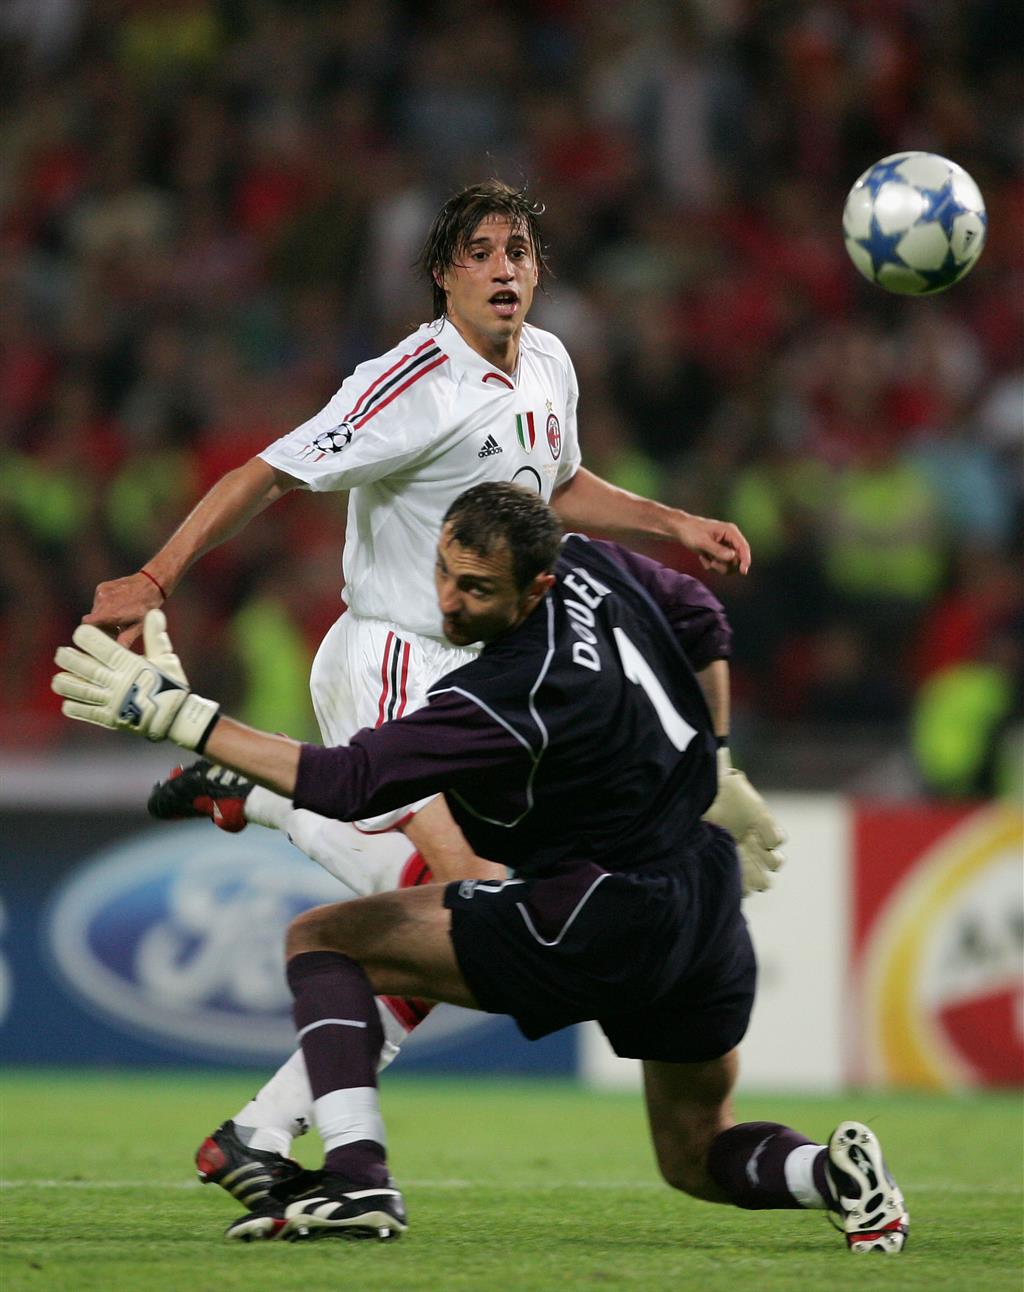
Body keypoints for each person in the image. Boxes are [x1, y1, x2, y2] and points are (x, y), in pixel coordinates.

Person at [82, 179, 781, 1201]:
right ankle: (302, 1143)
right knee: (465, 900)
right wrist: (155, 576)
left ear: (538, 270)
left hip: (491, 667)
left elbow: (557, 487)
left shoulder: (548, 362)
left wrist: (674, 524)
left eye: (519, 251)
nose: (504, 269)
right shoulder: (410, 380)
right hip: (399, 656)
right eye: (480, 252)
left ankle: (265, 1104)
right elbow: (267, 472)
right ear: (444, 274)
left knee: (458, 917)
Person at [54, 482, 907, 1254]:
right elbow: (700, 618)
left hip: (606, 911)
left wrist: (180, 716)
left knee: (327, 942)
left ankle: (356, 1177)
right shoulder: (593, 564)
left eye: (478, 590)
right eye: (445, 573)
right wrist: (717, 762)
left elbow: (351, 781)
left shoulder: (515, 691)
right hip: (705, 893)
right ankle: (835, 1176)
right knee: (695, 1151)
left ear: (534, 588)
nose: (450, 603)